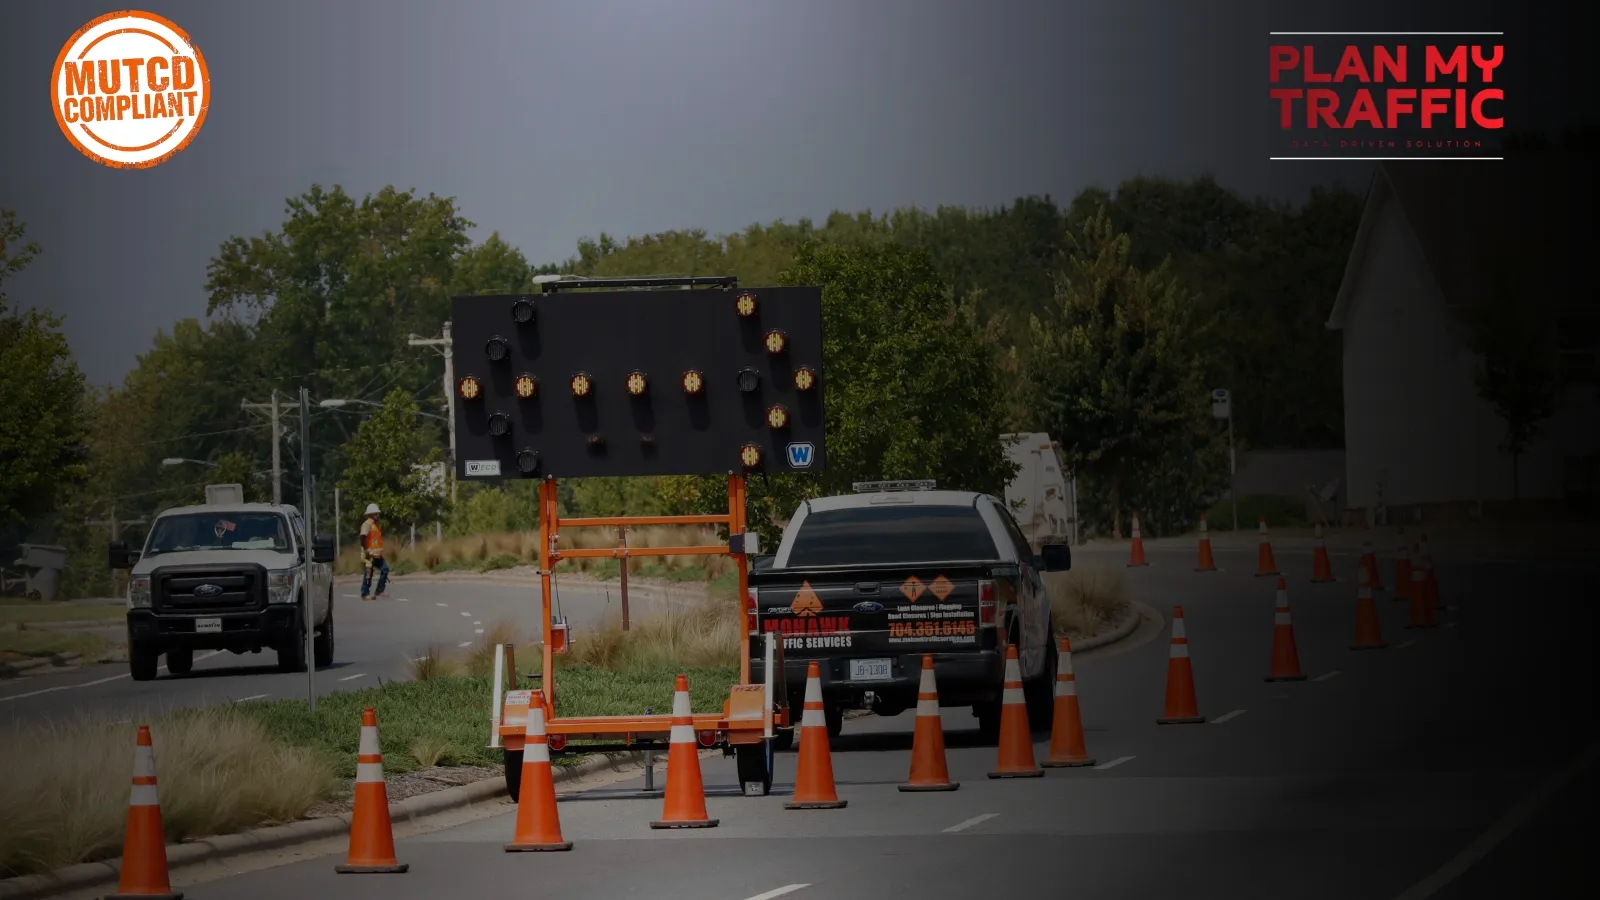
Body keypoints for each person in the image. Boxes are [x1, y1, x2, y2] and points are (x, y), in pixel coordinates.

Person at [359, 502, 389, 600]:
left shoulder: (376, 525)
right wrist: (366, 550)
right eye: (375, 513)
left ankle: (379, 590)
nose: (377, 515)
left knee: (385, 569)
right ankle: (365, 593)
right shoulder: (367, 524)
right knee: (368, 573)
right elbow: (362, 537)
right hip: (369, 554)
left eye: (377, 513)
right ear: (370, 514)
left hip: (377, 554)